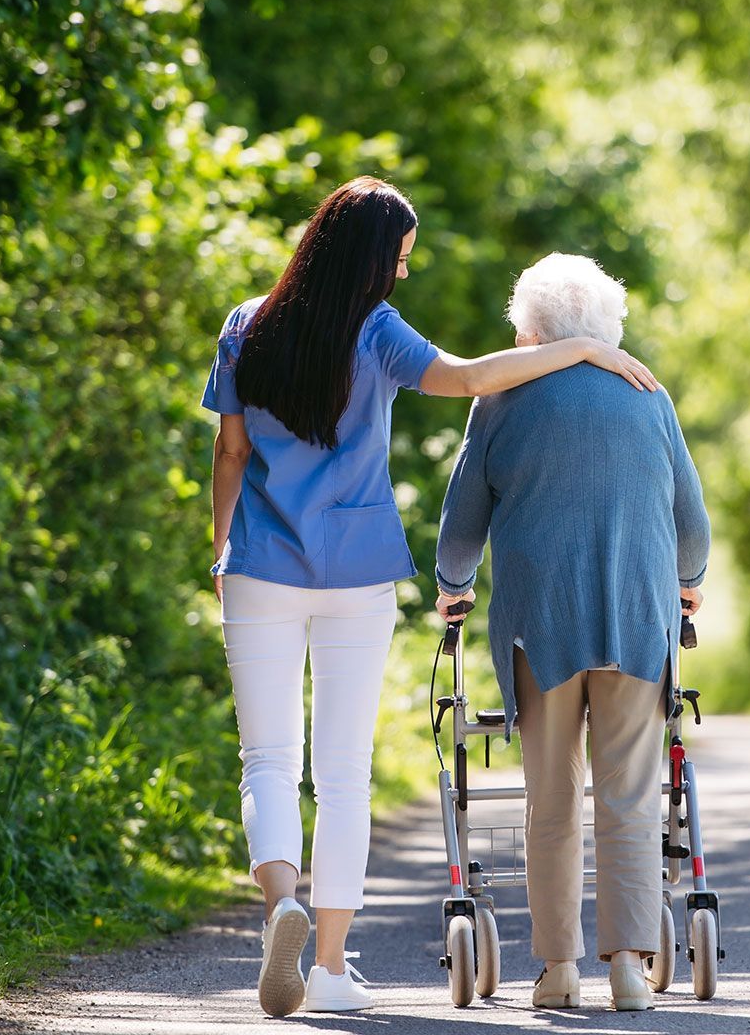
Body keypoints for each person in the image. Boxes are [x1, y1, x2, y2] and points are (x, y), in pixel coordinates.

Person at [203, 179, 659, 1016]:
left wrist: (221, 546)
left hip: (260, 566)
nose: (403, 276)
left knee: (267, 760)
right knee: (342, 772)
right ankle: (331, 967)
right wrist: (584, 350)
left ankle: (282, 906)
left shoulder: (246, 325)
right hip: (358, 571)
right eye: (401, 259)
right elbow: (471, 376)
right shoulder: (375, 332)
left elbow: (230, 453)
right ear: (371, 259)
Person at [433, 252, 710, 1013]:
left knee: (551, 797)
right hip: (636, 616)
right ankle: (628, 965)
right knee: (628, 792)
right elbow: (692, 520)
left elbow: (461, 526)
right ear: (605, 328)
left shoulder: (500, 401)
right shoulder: (648, 395)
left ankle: (558, 969)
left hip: (539, 626)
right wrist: (689, 583)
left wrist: (452, 591)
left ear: (533, 329)